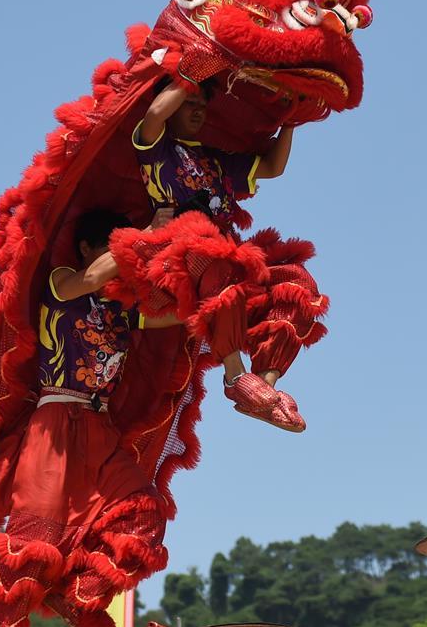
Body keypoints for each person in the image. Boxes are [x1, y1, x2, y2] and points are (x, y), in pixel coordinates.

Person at [0, 208, 177, 627]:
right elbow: (96, 276)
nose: (120, 262)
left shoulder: (123, 305)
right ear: (86, 250)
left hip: (99, 431)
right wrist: (146, 234)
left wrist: (230, 296)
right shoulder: (63, 282)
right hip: (54, 426)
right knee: (31, 551)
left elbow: (180, 316)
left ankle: (79, 596)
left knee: (145, 513)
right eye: (111, 248)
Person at [107, 79, 329, 432]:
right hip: (176, 267)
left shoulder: (217, 163)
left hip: (226, 267)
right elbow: (152, 115)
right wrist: (189, 75)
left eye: (201, 104)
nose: (197, 109)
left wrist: (291, 121)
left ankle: (264, 387)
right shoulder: (156, 150)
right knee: (212, 254)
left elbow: (272, 167)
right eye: (188, 102)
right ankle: (233, 375)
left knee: (297, 282)